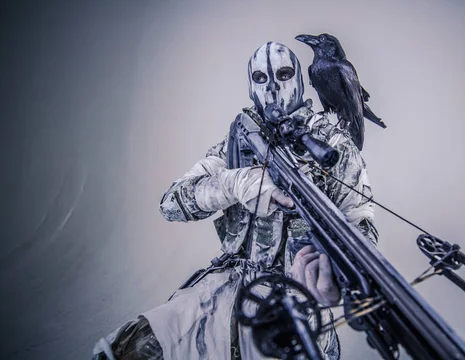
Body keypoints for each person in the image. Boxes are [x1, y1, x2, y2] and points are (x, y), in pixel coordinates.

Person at [92, 41, 378, 360]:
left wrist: (341, 276)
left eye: (283, 74)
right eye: (260, 78)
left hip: (298, 302)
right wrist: (235, 181)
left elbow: (361, 225)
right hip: (225, 289)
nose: (271, 87)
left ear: (299, 79)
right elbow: (171, 203)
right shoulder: (238, 143)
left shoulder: (332, 144)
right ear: (250, 85)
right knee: (125, 350)